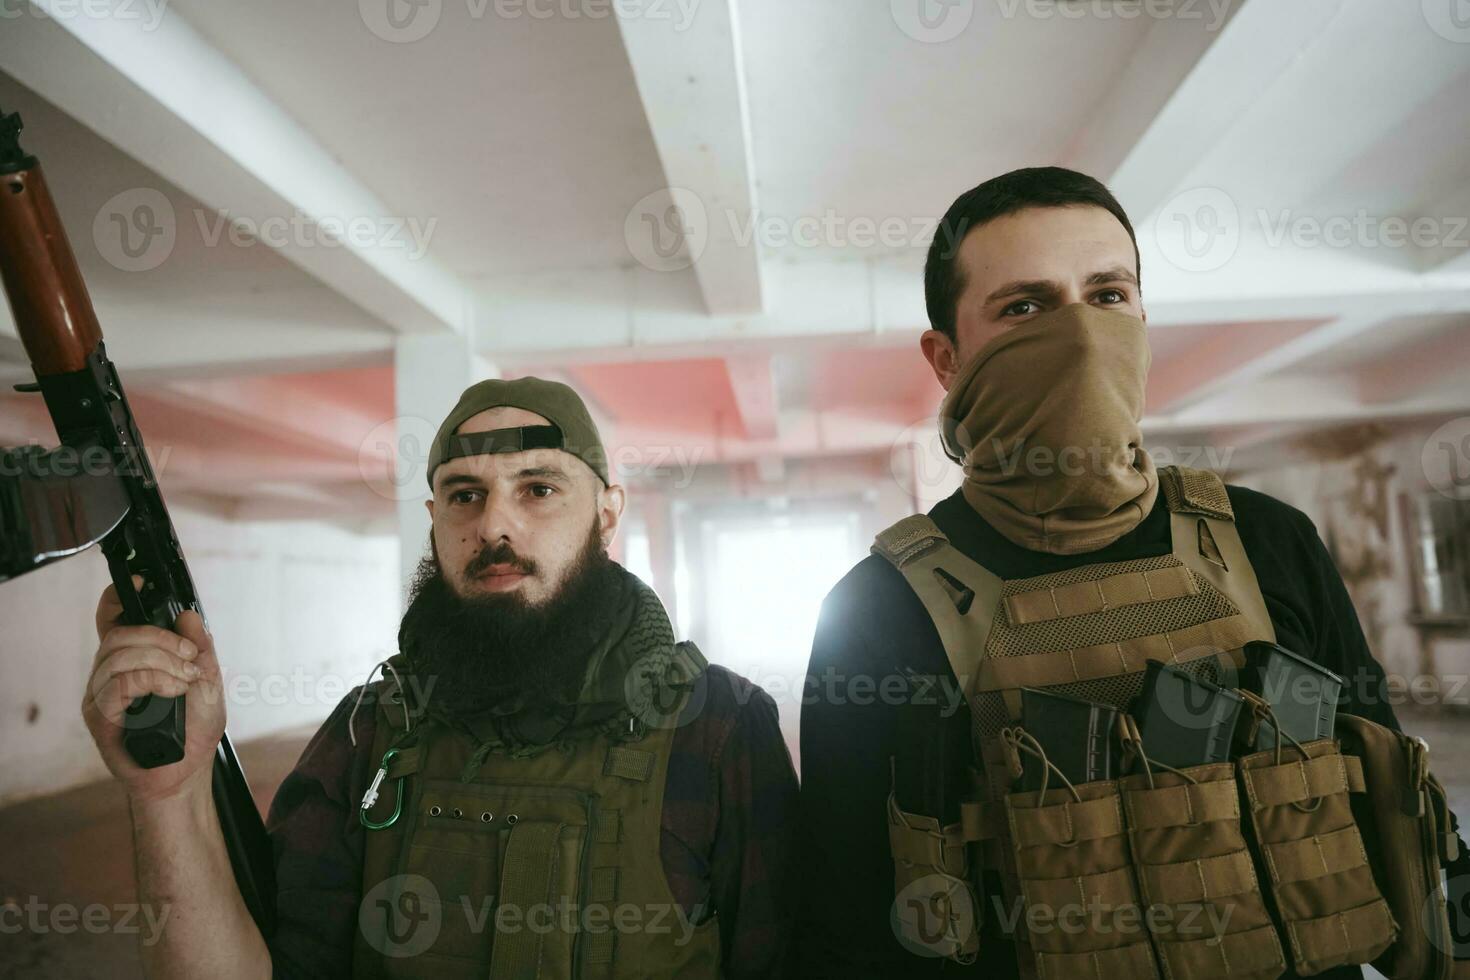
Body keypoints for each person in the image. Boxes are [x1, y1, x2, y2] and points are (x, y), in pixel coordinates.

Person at [792, 167, 1410, 979]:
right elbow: (848, 921)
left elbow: (1395, 804)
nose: (1081, 333)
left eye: (1108, 295)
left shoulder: (1269, 540)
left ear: (1144, 316)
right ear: (947, 358)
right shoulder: (877, 609)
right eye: (1025, 306)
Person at [82, 376, 799, 979]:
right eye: (464, 495)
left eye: (539, 488)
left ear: (607, 513)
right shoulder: (370, 727)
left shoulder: (719, 727)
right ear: (434, 520)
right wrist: (169, 793)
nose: (494, 528)